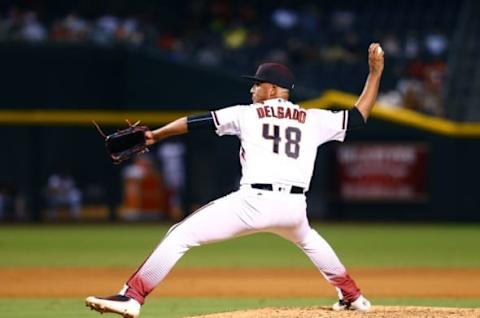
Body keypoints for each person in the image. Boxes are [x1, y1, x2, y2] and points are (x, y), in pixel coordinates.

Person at [85, 43, 384, 318]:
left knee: (180, 235)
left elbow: (195, 122)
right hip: (294, 207)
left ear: (270, 89)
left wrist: (156, 134)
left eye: (256, 85)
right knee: (307, 239)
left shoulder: (247, 114)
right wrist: (374, 73)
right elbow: (359, 116)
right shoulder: (315, 119)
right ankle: (353, 297)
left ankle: (132, 297)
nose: (252, 90)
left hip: (253, 202)